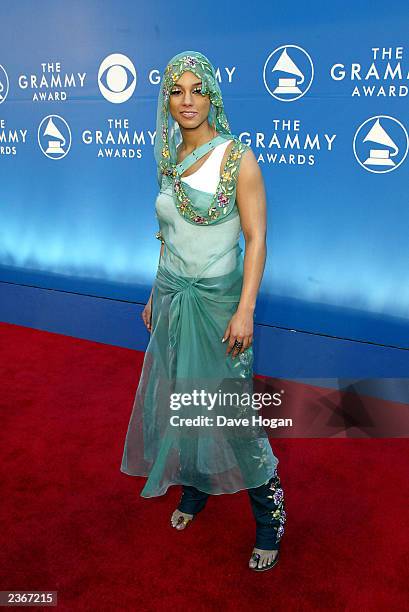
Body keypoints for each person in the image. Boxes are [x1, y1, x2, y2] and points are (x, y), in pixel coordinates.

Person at [120, 51, 286, 571]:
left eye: (197, 90)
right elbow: (168, 235)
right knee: (180, 399)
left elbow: (257, 238)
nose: (186, 101)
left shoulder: (238, 158)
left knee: (232, 411)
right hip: (171, 294)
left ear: (212, 94)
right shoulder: (167, 155)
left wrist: (246, 310)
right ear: (166, 99)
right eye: (176, 91)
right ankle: (194, 490)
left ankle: (270, 518)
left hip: (219, 306)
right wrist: (154, 292)